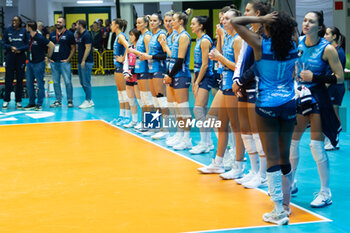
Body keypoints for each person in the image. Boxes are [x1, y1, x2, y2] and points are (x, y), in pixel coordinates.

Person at [231, 11, 299, 225]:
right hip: (289, 104)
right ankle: (286, 206)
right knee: (284, 156)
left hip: (267, 105)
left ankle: (278, 209)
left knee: (271, 158)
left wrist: (261, 19)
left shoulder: (260, 44)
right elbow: (291, 29)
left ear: (268, 26)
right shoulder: (294, 45)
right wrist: (278, 23)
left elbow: (235, 21)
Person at [291, 11, 344, 208]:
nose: (306, 23)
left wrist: (315, 77)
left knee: (315, 146)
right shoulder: (298, 43)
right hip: (299, 97)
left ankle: (325, 192)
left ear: (319, 27)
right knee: (292, 142)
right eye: (304, 20)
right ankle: (291, 183)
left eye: (311, 21)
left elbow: (339, 77)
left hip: (317, 98)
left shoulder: (327, 49)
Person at [199, 9, 244, 175]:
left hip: (233, 86)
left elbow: (239, 67)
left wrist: (220, 58)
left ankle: (238, 164)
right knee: (217, 121)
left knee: (236, 126)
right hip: (224, 84)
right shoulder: (228, 38)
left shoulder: (238, 39)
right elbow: (223, 61)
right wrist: (217, 56)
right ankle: (219, 161)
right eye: (223, 18)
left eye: (227, 18)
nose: (223, 21)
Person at [230, 1, 270, 188]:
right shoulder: (248, 34)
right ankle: (253, 170)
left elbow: (257, 64)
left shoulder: (263, 35)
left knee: (256, 132)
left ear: (258, 13)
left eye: (248, 11)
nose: (244, 13)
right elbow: (241, 61)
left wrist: (241, 80)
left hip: (256, 85)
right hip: (244, 85)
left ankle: (263, 174)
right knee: (245, 130)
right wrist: (237, 79)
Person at [163, 9, 193, 150]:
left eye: (174, 20)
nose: (171, 22)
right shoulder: (177, 35)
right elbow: (171, 58)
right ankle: (180, 135)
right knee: (176, 107)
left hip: (181, 75)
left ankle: (187, 139)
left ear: (181, 21)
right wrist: (168, 74)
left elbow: (180, 60)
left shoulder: (184, 37)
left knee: (183, 108)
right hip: (174, 74)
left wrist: (170, 74)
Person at [139, 12, 169, 140]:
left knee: (161, 99)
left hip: (159, 69)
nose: (152, 23)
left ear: (160, 22)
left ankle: (166, 128)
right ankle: (154, 126)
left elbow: (165, 55)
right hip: (151, 69)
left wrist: (150, 56)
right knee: (155, 99)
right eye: (151, 20)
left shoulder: (162, 34)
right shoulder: (152, 35)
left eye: (155, 21)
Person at [189, 16, 215, 154]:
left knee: (198, 110)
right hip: (200, 76)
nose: (191, 26)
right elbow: (198, 64)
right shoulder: (199, 39)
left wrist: (198, 82)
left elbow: (205, 64)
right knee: (202, 109)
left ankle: (205, 142)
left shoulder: (205, 40)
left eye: (193, 24)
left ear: (201, 26)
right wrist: (195, 80)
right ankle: (207, 142)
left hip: (206, 77)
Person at [127, 16, 154, 133]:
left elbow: (148, 55)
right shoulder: (142, 36)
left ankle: (152, 124)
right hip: (140, 70)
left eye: (139, 23)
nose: (137, 25)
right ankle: (146, 122)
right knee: (143, 99)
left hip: (146, 71)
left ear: (146, 24)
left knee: (148, 100)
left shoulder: (147, 36)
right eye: (137, 22)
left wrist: (134, 51)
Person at [323, 26, 346, 150]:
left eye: (327, 34)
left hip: (335, 87)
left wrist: (324, 86)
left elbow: (335, 73)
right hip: (331, 85)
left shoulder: (338, 52)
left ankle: (334, 140)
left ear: (334, 36)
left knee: (333, 113)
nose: (325, 36)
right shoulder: (331, 50)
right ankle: (332, 138)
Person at [24, 20, 55, 110]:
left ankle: (39, 103)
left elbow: (51, 45)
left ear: (29, 27)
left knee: (40, 84)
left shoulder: (40, 37)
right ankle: (31, 103)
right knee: (29, 84)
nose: (25, 28)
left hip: (39, 63)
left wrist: (48, 56)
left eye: (26, 26)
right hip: (30, 63)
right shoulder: (29, 37)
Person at [1, 16, 29, 109]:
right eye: (13, 20)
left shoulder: (24, 31)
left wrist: (20, 49)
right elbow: (2, 43)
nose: (14, 22)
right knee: (8, 79)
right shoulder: (8, 30)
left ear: (20, 22)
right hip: (10, 57)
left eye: (16, 20)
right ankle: (6, 100)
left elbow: (28, 44)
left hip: (20, 57)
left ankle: (18, 101)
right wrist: (10, 47)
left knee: (20, 80)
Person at [48, 16, 76, 108]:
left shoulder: (69, 34)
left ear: (64, 23)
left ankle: (69, 100)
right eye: (57, 22)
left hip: (64, 62)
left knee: (68, 81)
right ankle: (58, 100)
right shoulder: (52, 34)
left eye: (60, 22)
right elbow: (49, 47)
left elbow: (73, 48)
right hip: (54, 62)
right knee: (56, 82)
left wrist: (68, 59)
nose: (58, 23)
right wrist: (49, 58)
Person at [110, 18, 131, 126]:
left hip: (122, 67)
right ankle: (121, 115)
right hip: (117, 67)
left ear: (117, 25)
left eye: (112, 24)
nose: (111, 26)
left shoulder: (121, 36)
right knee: (119, 92)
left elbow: (129, 47)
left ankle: (127, 116)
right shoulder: (117, 36)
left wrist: (123, 59)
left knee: (124, 92)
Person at [123, 28, 143, 128]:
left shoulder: (139, 48)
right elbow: (126, 62)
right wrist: (126, 73)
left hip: (137, 76)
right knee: (131, 99)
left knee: (140, 100)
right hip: (129, 76)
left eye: (132, 35)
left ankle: (143, 121)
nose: (130, 37)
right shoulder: (129, 48)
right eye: (129, 35)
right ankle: (134, 120)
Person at [76, 19, 94, 108]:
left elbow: (88, 48)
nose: (75, 26)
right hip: (81, 62)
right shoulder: (81, 35)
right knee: (82, 82)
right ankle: (89, 99)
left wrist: (83, 60)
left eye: (76, 24)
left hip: (86, 62)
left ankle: (88, 100)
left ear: (80, 25)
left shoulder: (87, 34)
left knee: (86, 82)